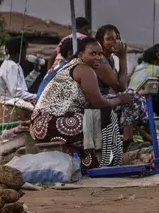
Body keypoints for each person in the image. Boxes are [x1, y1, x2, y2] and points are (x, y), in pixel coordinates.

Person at [31, 37, 133, 170]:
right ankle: (104, 162)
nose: (98, 57)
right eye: (93, 54)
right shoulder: (84, 69)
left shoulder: (76, 66)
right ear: (81, 54)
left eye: (100, 54)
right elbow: (98, 102)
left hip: (40, 124)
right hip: (49, 124)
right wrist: (120, 99)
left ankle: (108, 160)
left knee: (105, 114)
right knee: (104, 114)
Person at [0, 37, 40, 103]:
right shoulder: (11, 66)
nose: (26, 55)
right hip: (7, 105)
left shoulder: (15, 65)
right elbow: (17, 93)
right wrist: (37, 97)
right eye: (25, 51)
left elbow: (23, 88)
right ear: (19, 52)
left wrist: (35, 72)